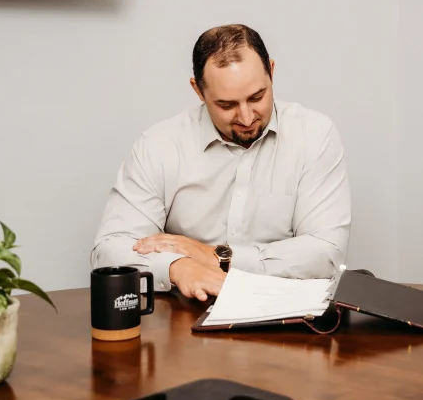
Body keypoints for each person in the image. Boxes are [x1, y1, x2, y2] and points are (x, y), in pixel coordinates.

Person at [91, 24, 351, 301]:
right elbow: (109, 251)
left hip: (287, 316)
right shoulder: (158, 145)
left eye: (257, 97)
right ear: (198, 91)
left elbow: (326, 254)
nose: (247, 117)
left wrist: (217, 256)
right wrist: (178, 268)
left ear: (272, 72)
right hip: (184, 319)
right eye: (227, 105)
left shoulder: (315, 135)